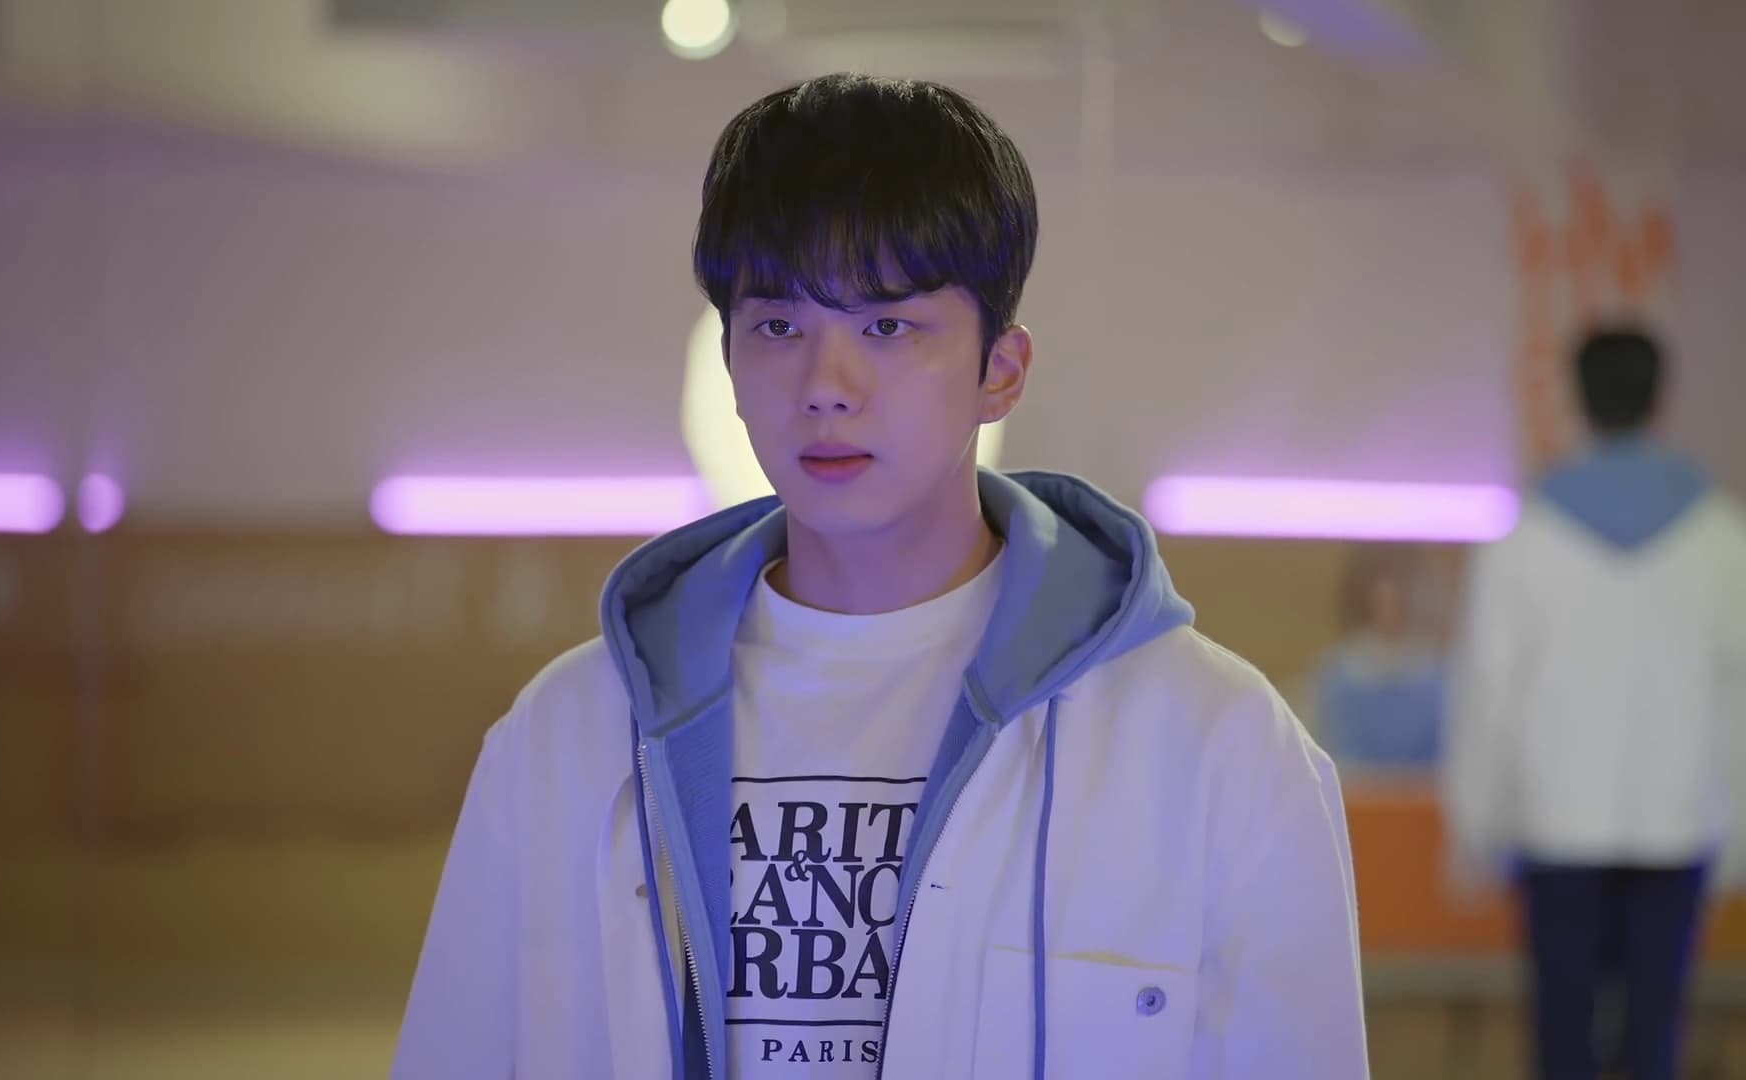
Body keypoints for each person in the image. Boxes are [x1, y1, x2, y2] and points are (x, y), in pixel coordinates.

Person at [394, 73, 1367, 1079]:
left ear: (1001, 371)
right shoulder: (568, 736)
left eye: (888, 327)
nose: (827, 386)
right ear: (729, 363)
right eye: (779, 327)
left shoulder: (1214, 745)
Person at [1444, 326, 1746, 1080]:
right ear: (1661, 398)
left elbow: (1488, 693)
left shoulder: (1525, 537)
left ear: (1576, 399)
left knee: (1561, 1033)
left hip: (1556, 826)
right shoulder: (1721, 538)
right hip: (1680, 823)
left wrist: (1476, 828)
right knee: (1655, 1035)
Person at [1311, 547, 1448, 771]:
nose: (1391, 601)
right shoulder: (1336, 676)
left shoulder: (1439, 678)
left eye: (1401, 588)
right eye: (1383, 590)